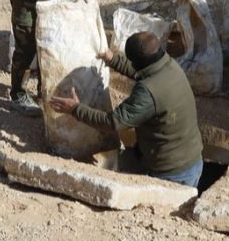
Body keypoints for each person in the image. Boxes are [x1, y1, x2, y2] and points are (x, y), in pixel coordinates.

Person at [49, 31, 204, 188]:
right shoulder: (168, 64)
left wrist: (75, 109)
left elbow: (114, 123)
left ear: (138, 63)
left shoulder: (147, 92)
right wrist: (113, 59)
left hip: (171, 174)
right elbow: (142, 71)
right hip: (191, 161)